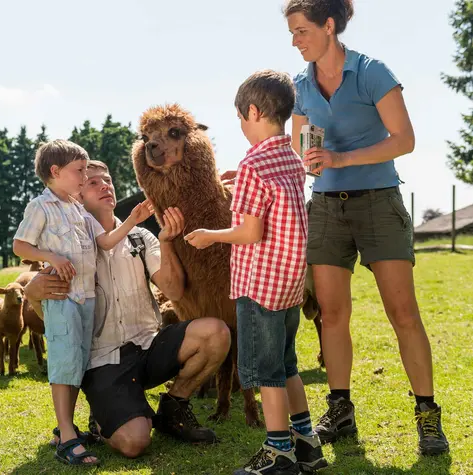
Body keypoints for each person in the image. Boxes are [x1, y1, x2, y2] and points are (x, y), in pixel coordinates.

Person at [284, 0, 449, 456]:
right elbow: (302, 145)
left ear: (329, 25)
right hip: (326, 208)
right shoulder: (300, 86)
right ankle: (340, 409)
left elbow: (405, 139)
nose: (295, 41)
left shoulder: (372, 71)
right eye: (292, 33)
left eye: (301, 31)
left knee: (404, 314)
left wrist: (342, 158)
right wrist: (302, 159)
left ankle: (427, 414)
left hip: (378, 201)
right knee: (333, 316)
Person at [24, 160, 231, 459]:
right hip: (103, 360)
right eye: (93, 182)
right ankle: (105, 417)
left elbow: (172, 291)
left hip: (149, 346)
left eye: (107, 180)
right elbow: (58, 319)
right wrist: (32, 295)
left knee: (216, 333)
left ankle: (174, 405)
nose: (105, 185)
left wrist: (166, 241)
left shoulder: (139, 238)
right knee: (134, 443)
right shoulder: (66, 249)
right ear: (77, 194)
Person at [186, 70, 328, 475]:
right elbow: (274, 201)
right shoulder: (290, 155)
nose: (242, 128)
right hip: (289, 283)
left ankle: (277, 451)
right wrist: (242, 179)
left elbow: (250, 231)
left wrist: (210, 236)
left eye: (241, 119)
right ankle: (307, 445)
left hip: (259, 284)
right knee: (287, 365)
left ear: (252, 111)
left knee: (266, 373)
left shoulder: (252, 162)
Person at [12, 140, 152, 467]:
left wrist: (131, 220)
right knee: (63, 363)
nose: (84, 176)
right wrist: (50, 256)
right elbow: (20, 244)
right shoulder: (41, 207)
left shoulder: (78, 209)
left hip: (86, 298)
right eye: (80, 171)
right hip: (63, 297)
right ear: (55, 172)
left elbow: (104, 242)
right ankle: (67, 437)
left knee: (76, 363)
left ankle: (66, 430)